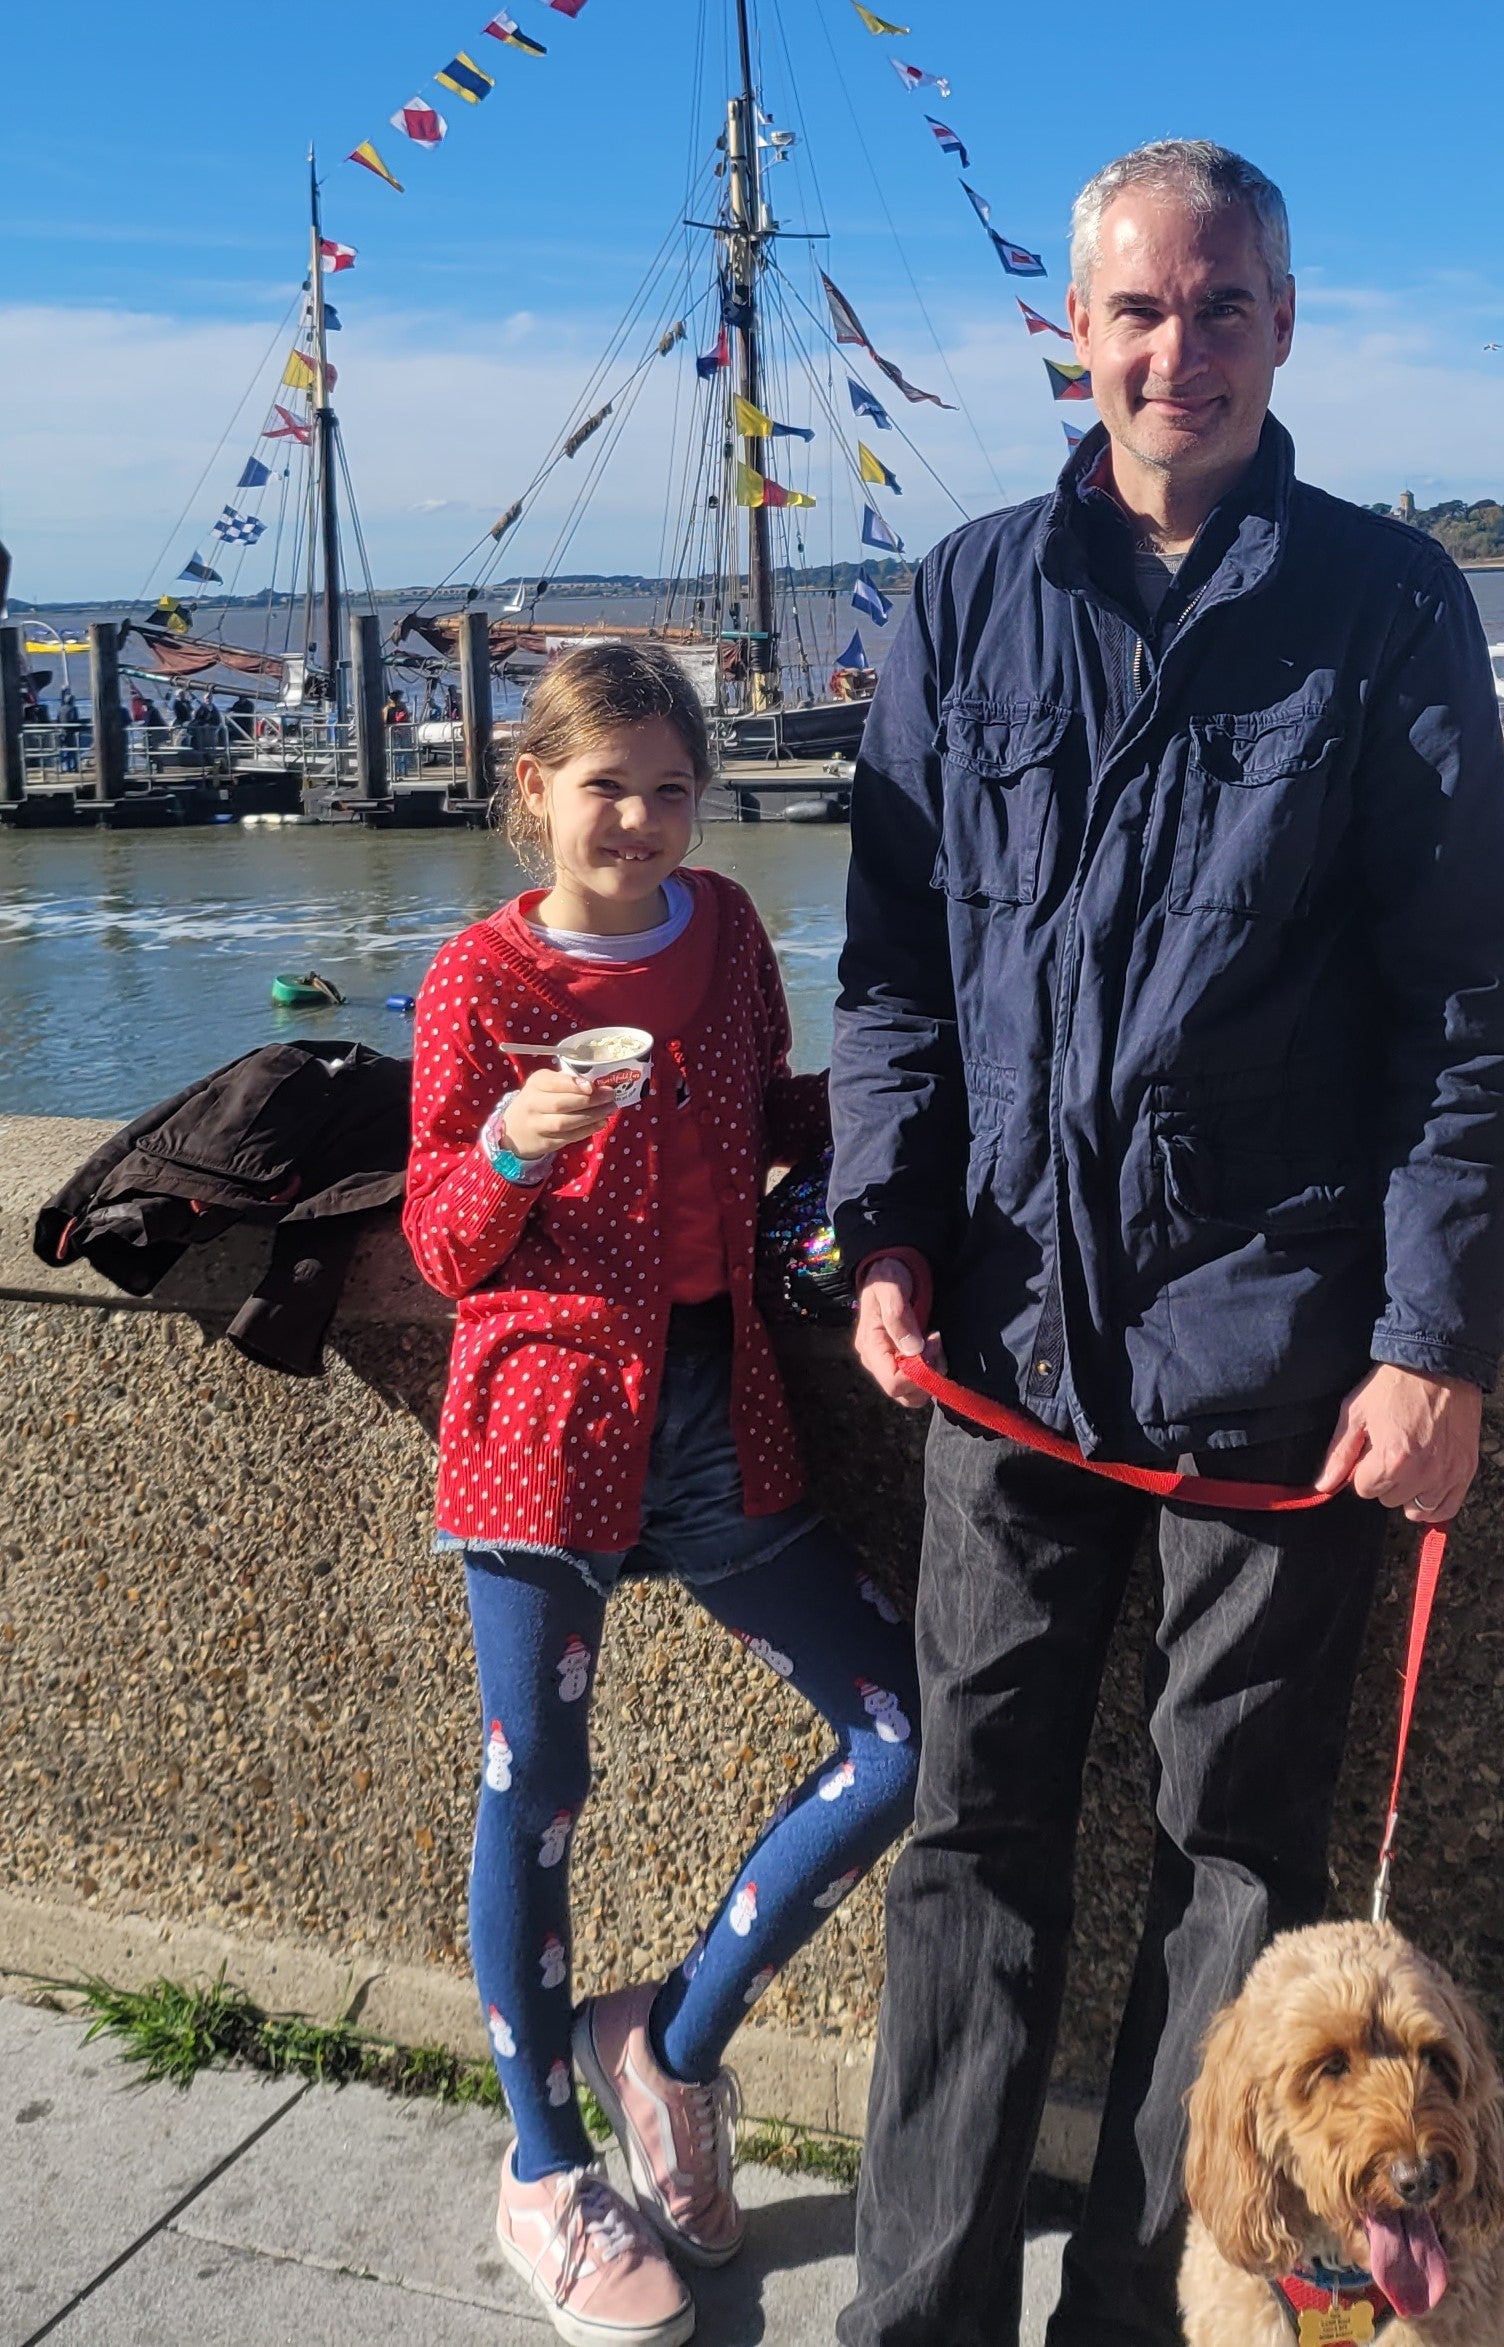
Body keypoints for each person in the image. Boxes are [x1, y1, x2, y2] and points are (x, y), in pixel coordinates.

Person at [830, 139, 1504, 2347]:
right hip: (1008, 1339)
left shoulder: (1385, 597)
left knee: (1234, 1862)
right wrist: (882, 1221)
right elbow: (887, 973)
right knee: (970, 1844)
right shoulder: (957, 601)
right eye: (1138, 310)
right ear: (1076, 329)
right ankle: (919, 2314)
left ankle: (1159, 2319)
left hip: (1277, 1351)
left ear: (1284, 327)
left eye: (1220, 307)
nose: (1178, 350)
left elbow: (1469, 1000)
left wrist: (1436, 1336)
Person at [405, 642, 924, 2347]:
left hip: (718, 1415)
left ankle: (670, 2037)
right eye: (603, 782)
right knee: (532, 1782)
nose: (635, 816)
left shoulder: (723, 938)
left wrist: (913, 1091)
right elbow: (438, 1242)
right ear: (534, 790)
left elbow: (767, 1122)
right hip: (542, 1433)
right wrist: (512, 1144)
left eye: (669, 787)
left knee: (902, 1734)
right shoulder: (477, 982)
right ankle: (546, 2167)